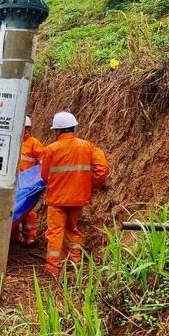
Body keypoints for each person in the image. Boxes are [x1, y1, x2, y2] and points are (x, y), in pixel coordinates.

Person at [40, 112, 109, 277]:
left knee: (55, 232)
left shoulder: (51, 149)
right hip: (78, 198)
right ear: (74, 128)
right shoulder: (87, 146)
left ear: (57, 131)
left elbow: (44, 175)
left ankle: (53, 268)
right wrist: (92, 184)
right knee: (72, 229)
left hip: (56, 199)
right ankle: (75, 262)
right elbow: (102, 168)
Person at [13, 116, 45, 246]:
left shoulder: (34, 143)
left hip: (28, 185)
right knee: (13, 210)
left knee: (28, 212)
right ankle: (13, 236)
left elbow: (44, 162)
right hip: (14, 183)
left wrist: (38, 180)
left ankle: (30, 237)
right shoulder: (14, 142)